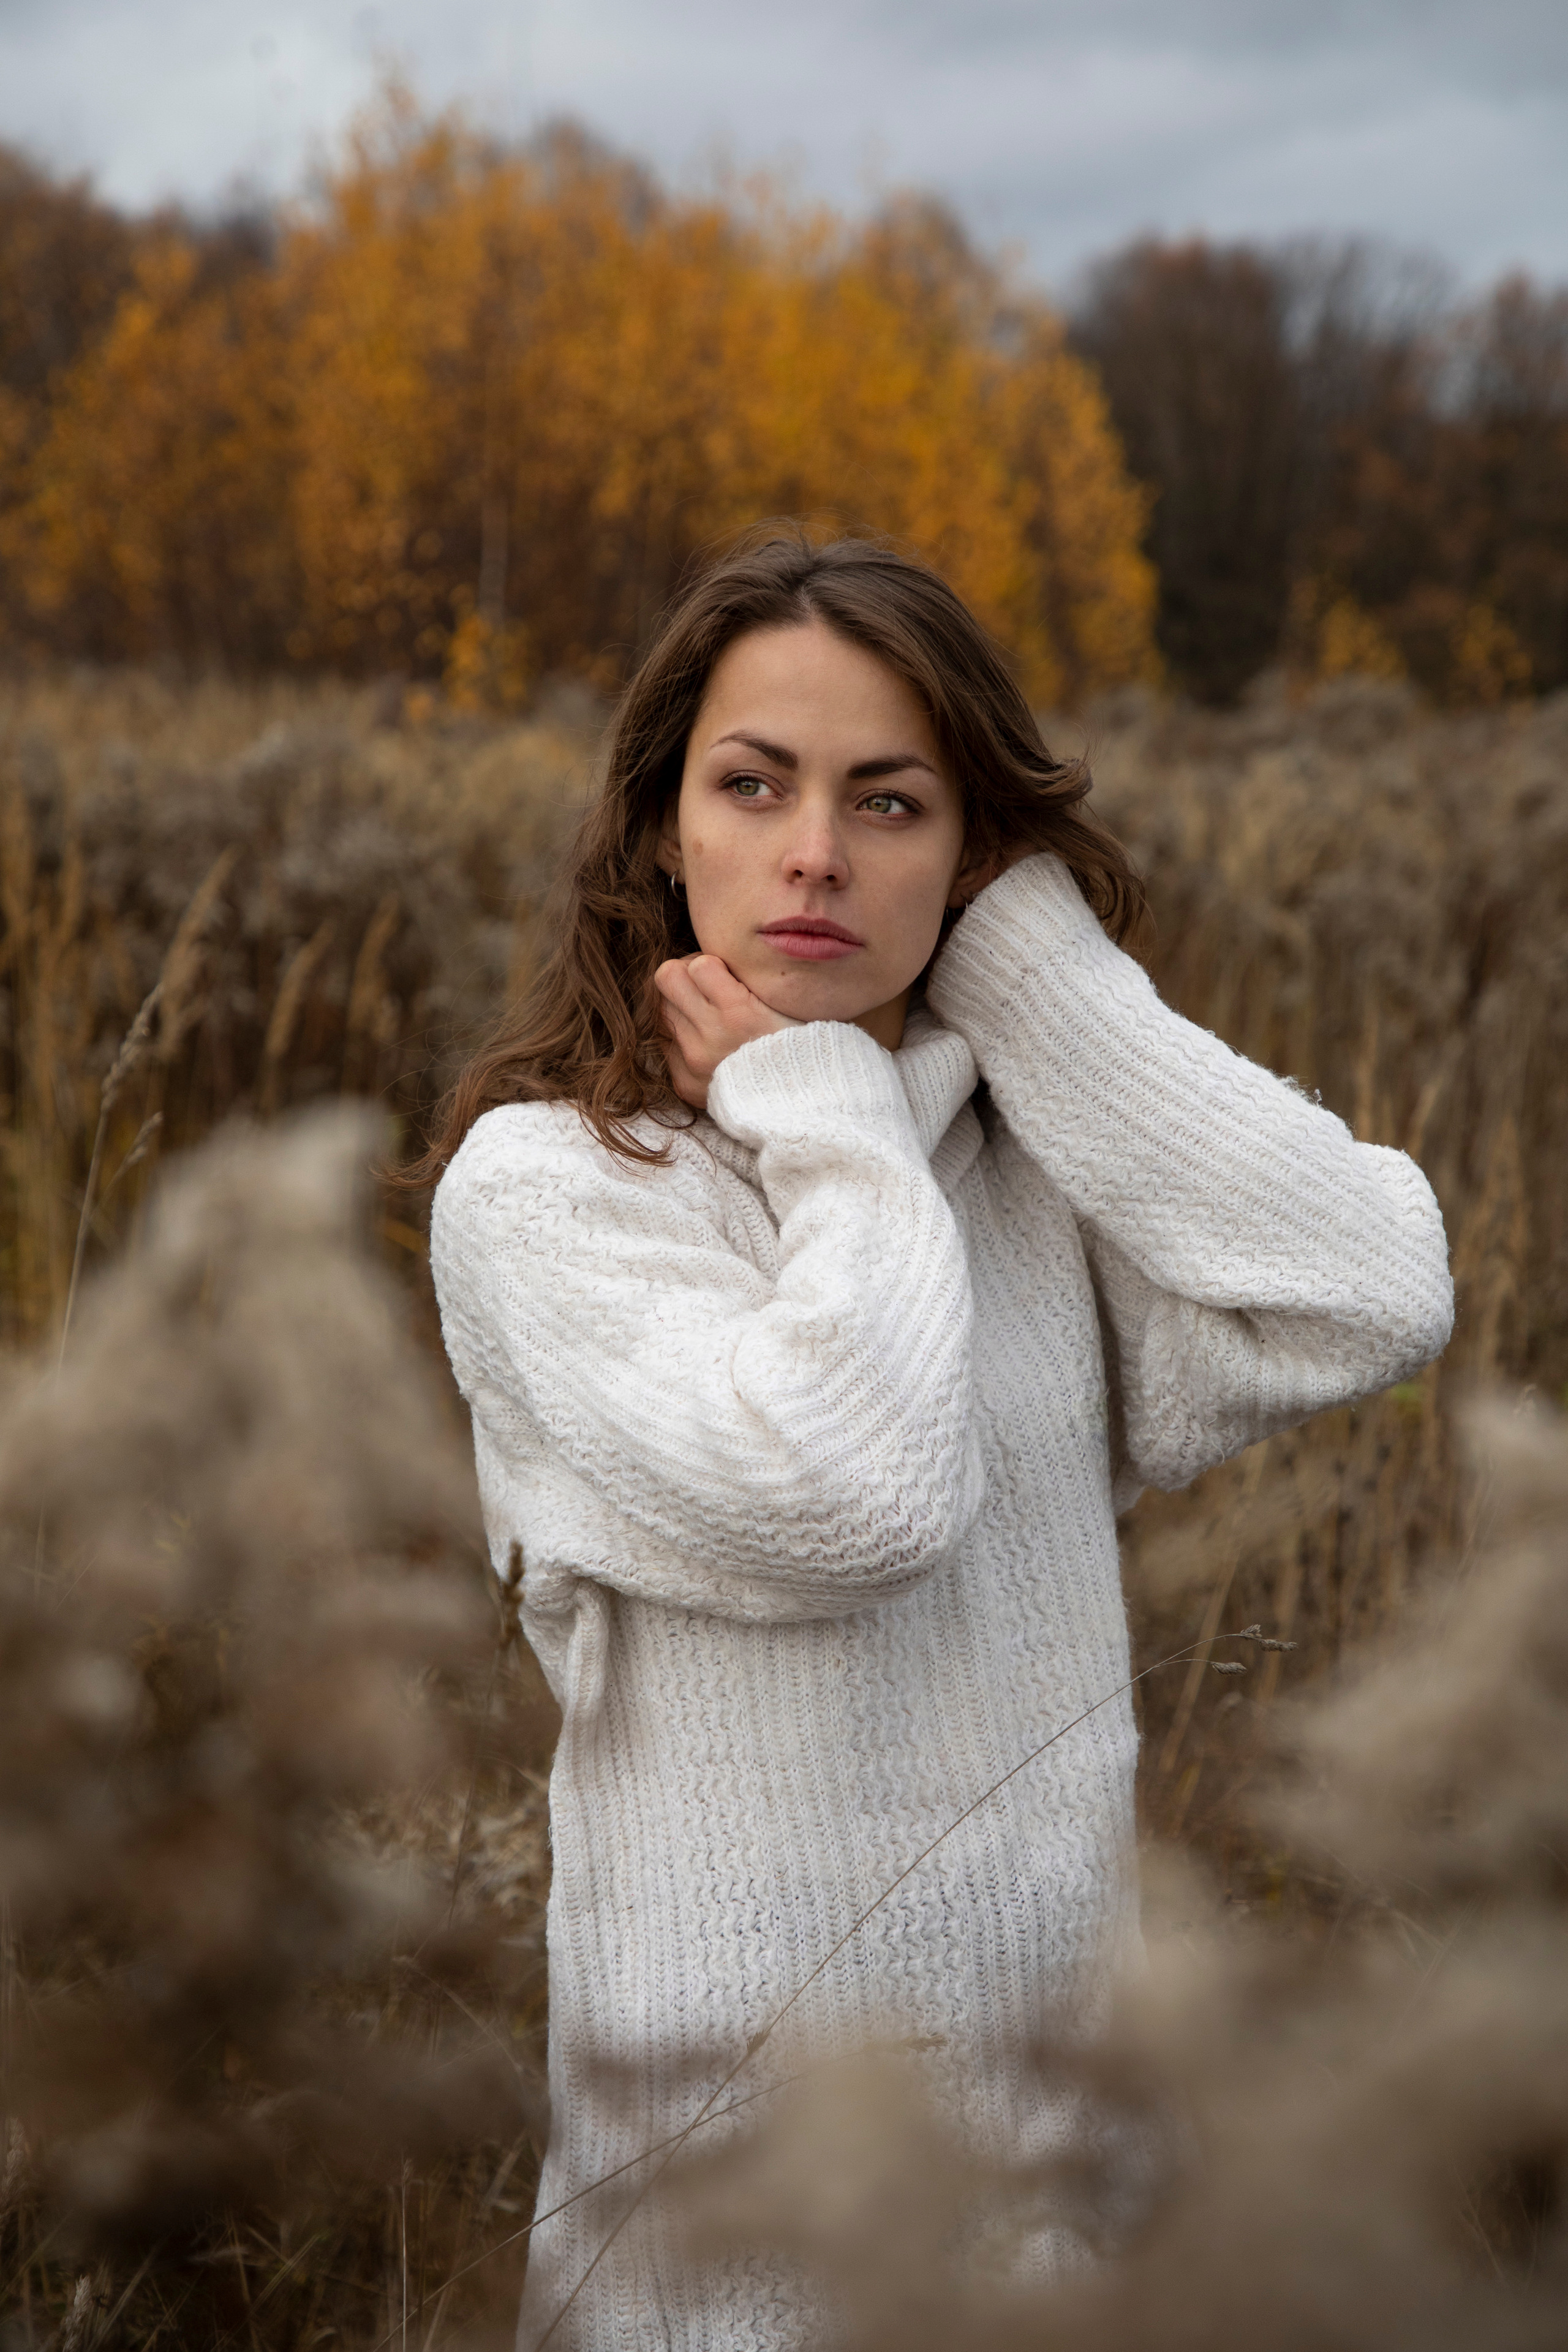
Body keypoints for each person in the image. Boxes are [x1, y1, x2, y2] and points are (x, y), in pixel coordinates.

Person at [426, 533, 1453, 2350]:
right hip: (737, 2207)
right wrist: (821, 1106)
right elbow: (856, 1491)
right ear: (667, 826)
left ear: (975, 857)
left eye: (890, 803)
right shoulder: (554, 1192)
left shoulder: (1012, 1169)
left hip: (1063, 2185)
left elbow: (1367, 1292)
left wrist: (1039, 986)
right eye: (754, 785)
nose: (814, 852)